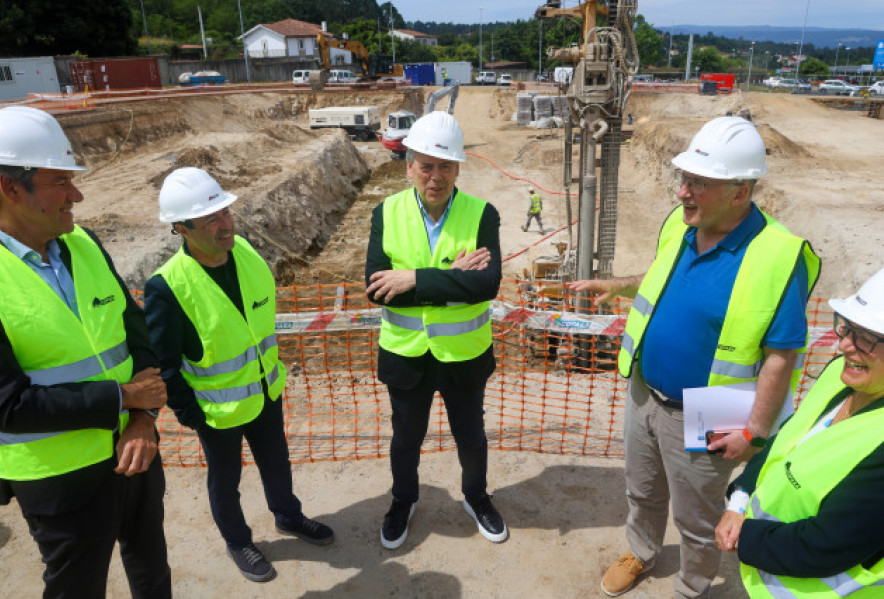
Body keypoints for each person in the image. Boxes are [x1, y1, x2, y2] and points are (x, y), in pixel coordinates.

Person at [568, 116, 820, 598]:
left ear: (740, 192)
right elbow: (661, 279)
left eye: (698, 183)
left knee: (698, 513)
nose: (683, 191)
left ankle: (693, 583)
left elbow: (780, 357)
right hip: (644, 392)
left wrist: (755, 431)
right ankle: (641, 551)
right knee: (641, 490)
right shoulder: (681, 224)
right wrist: (619, 285)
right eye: (684, 179)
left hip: (717, 411)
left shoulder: (777, 257)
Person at [0, 106, 171, 598]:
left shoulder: (82, 243)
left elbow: (137, 333)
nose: (78, 195)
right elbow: (6, 406)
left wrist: (143, 417)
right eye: (60, 182)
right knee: (76, 588)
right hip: (59, 480)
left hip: (137, 446)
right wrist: (126, 399)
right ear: (10, 187)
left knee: (151, 568)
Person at [143, 168, 334, 583]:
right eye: (211, 218)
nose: (226, 223)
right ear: (181, 228)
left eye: (226, 212)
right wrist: (190, 413)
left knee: (277, 462)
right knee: (225, 480)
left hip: (266, 391)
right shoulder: (167, 286)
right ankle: (238, 540)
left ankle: (288, 515)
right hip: (217, 410)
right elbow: (166, 363)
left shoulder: (246, 252)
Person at [365, 111, 507, 549]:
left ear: (458, 168)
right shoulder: (385, 212)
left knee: (471, 436)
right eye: (426, 165)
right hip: (406, 354)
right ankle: (403, 501)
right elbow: (376, 289)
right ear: (409, 166)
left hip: (464, 354)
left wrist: (414, 279)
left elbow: (486, 285)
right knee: (406, 438)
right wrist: (450, 279)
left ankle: (476, 497)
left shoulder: (483, 214)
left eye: (445, 166)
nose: (435, 176)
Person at [716, 268, 884, 597]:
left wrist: (743, 536)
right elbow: (787, 441)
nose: (844, 344)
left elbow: (824, 546)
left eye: (866, 337)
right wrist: (738, 501)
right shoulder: (840, 374)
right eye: (847, 327)